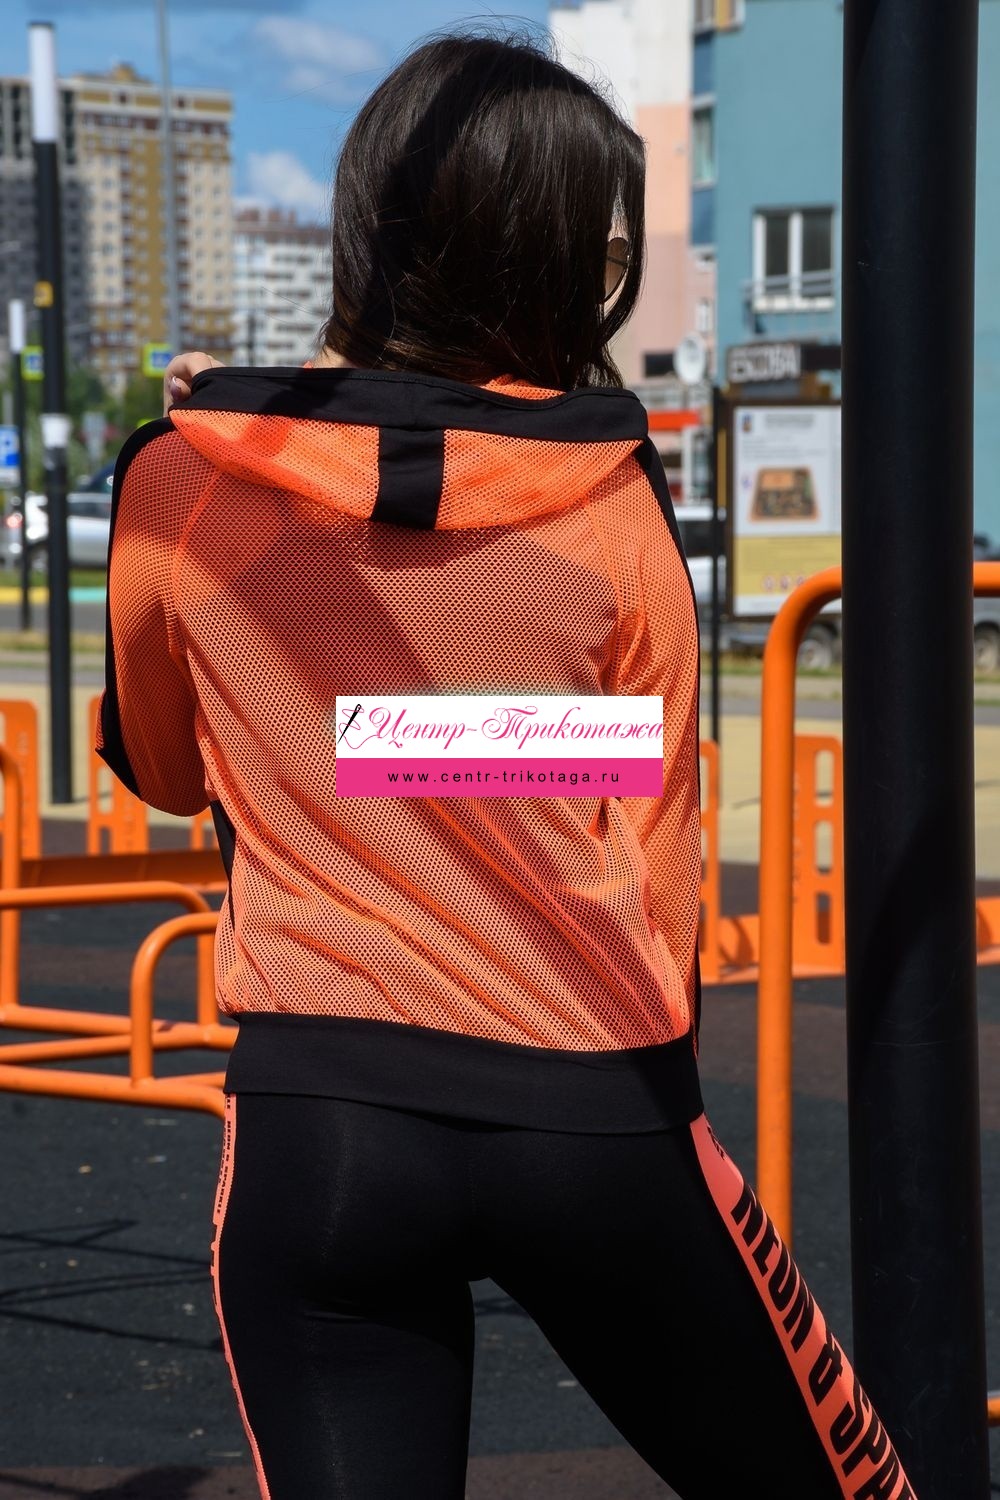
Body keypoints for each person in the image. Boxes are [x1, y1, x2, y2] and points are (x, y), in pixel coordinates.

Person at [98, 26, 915, 1500]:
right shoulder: (610, 486)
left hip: (323, 1114)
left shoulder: (182, 473)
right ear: (551, 259)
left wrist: (347, 727)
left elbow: (164, 768)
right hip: (591, 1105)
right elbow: (651, 819)